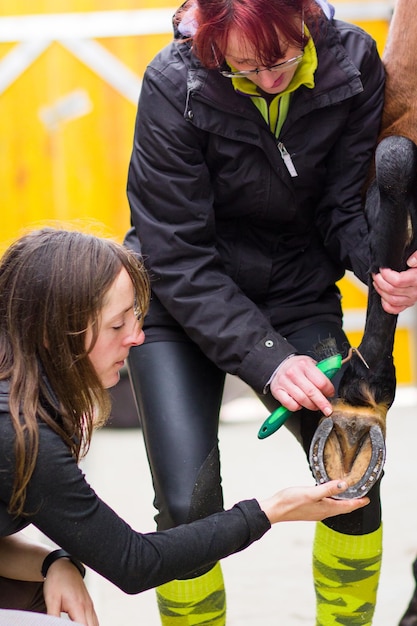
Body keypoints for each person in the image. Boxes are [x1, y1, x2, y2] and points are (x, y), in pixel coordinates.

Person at [124, 0, 417, 623]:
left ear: (306, 17)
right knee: (188, 503)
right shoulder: (173, 83)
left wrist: (384, 267)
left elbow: (343, 206)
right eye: (242, 66)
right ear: (208, 40)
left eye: (281, 57)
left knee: (353, 472)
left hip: (293, 290)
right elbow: (175, 254)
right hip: (180, 303)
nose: (267, 78)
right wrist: (270, 359)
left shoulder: (353, 62)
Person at [0, 228, 367, 626]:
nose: (137, 337)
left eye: (135, 318)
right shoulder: (19, 434)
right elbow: (134, 563)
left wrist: (56, 562)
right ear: (52, 331)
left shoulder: (24, 393)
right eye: (116, 325)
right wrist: (271, 511)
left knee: (50, 593)